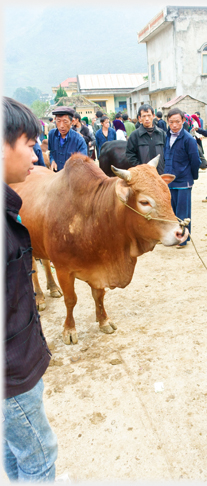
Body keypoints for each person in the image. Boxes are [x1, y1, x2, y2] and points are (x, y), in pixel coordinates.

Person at [3, 96, 58, 482]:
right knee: (39, 457)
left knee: (14, 450)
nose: (36, 156)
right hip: (12, 371)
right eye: (28, 144)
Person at [163, 107, 201, 248]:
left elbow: (195, 160)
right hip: (170, 181)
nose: (174, 125)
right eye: (171, 122)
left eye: (177, 122)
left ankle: (183, 239)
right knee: (172, 212)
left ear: (183, 121)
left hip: (184, 181)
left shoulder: (188, 139)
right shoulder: (167, 136)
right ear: (168, 121)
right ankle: (174, 237)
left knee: (182, 212)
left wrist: (191, 177)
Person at [126, 104, 166, 175]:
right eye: (144, 116)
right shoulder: (134, 135)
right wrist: (141, 169)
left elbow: (167, 153)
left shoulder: (161, 134)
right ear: (139, 118)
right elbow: (130, 155)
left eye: (149, 115)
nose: (147, 118)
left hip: (160, 174)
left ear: (153, 116)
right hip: (143, 176)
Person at [48, 106, 88, 172]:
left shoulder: (79, 140)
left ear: (72, 122)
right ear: (55, 120)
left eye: (65, 122)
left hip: (71, 177)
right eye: (58, 121)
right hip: (56, 175)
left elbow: (83, 162)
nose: (61, 126)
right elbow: (51, 152)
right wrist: (52, 160)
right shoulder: (52, 134)